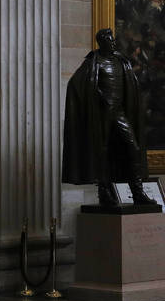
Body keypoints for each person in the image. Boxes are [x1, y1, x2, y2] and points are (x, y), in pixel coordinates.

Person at [62, 28, 156, 207]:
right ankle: (104, 192)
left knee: (132, 146)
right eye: (109, 41)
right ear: (102, 42)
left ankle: (137, 192)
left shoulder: (121, 61)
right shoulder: (93, 63)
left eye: (113, 40)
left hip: (119, 112)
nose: (113, 43)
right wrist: (96, 95)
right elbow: (75, 84)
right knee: (101, 152)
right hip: (101, 115)